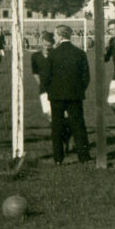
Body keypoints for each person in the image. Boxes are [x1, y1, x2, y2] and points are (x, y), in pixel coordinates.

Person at [41, 24, 91, 165]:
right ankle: (84, 157)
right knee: (79, 125)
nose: (54, 38)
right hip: (75, 95)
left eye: (55, 35)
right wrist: (79, 90)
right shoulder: (80, 53)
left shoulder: (53, 54)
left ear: (61, 36)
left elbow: (45, 77)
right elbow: (86, 77)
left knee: (56, 126)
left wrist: (51, 91)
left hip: (56, 96)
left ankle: (58, 158)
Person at [30, 31, 71, 152]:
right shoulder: (35, 56)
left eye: (49, 45)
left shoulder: (57, 54)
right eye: (45, 44)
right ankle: (62, 139)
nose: (47, 47)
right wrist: (41, 84)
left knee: (63, 115)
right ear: (41, 43)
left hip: (58, 90)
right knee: (49, 116)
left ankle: (65, 139)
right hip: (44, 90)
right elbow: (35, 73)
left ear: (53, 44)